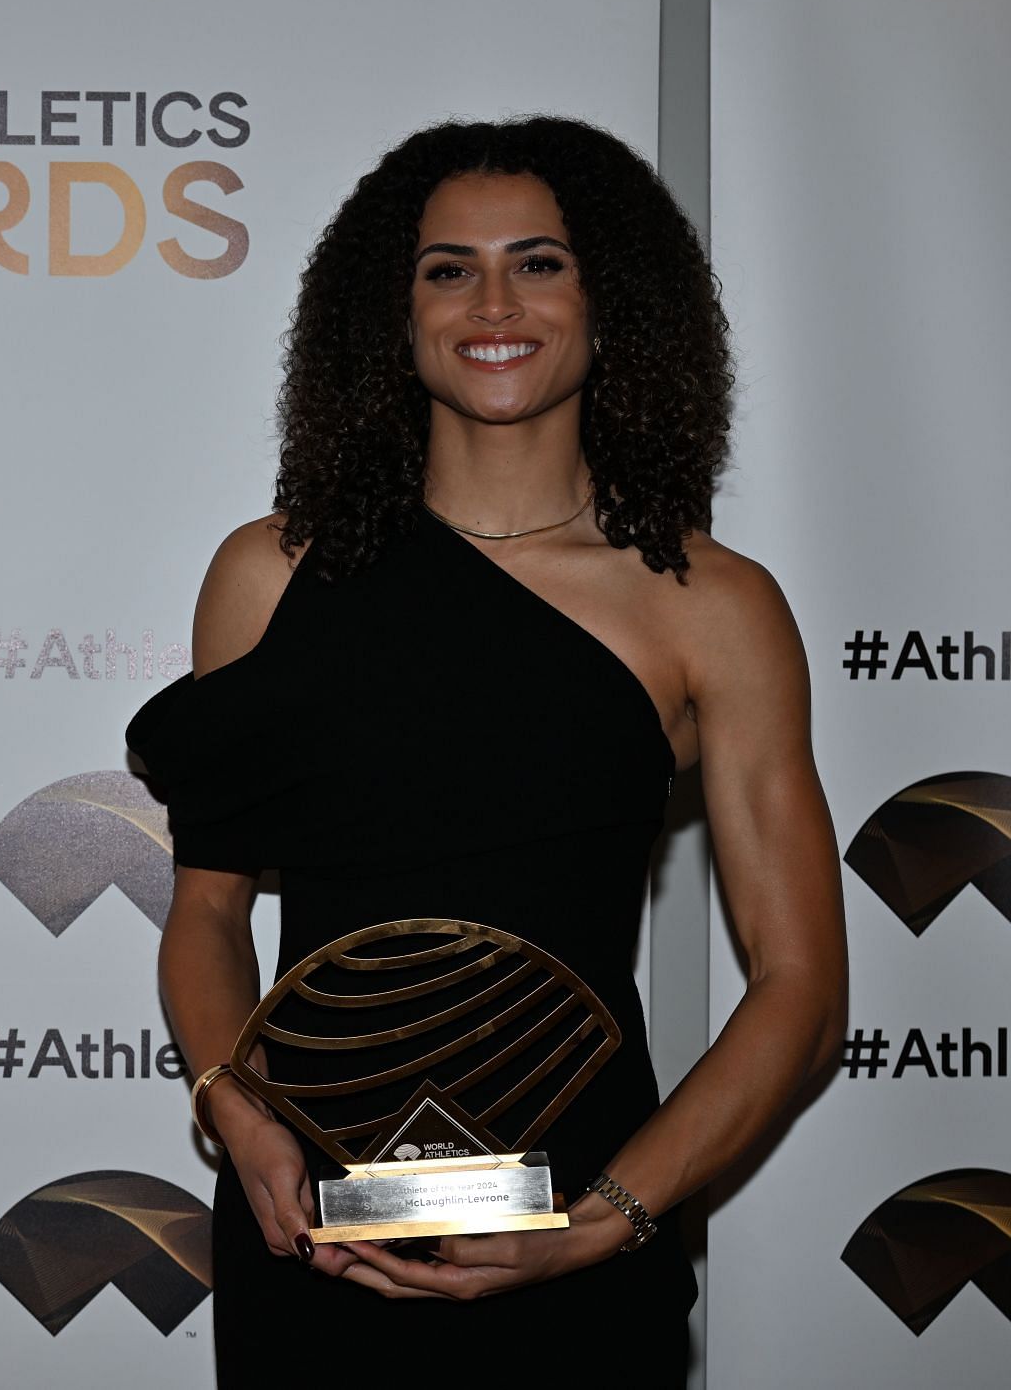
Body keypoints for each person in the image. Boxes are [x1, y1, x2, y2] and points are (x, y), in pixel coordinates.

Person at [124, 116, 847, 1386]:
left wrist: (600, 1225)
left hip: (581, 1223)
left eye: (541, 262)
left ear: (612, 299)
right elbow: (208, 913)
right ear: (390, 314)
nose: (493, 302)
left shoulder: (710, 605)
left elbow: (798, 984)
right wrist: (233, 1108)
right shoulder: (269, 573)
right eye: (447, 268)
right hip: (316, 1229)